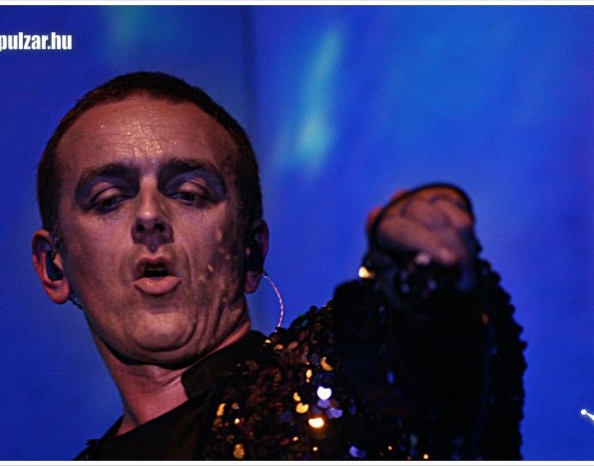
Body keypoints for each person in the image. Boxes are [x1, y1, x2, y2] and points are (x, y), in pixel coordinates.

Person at [31, 71, 526, 460]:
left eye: (190, 193)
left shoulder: (337, 380)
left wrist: (426, 283)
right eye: (108, 199)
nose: (149, 216)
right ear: (55, 267)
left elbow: (434, 370)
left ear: (250, 253)